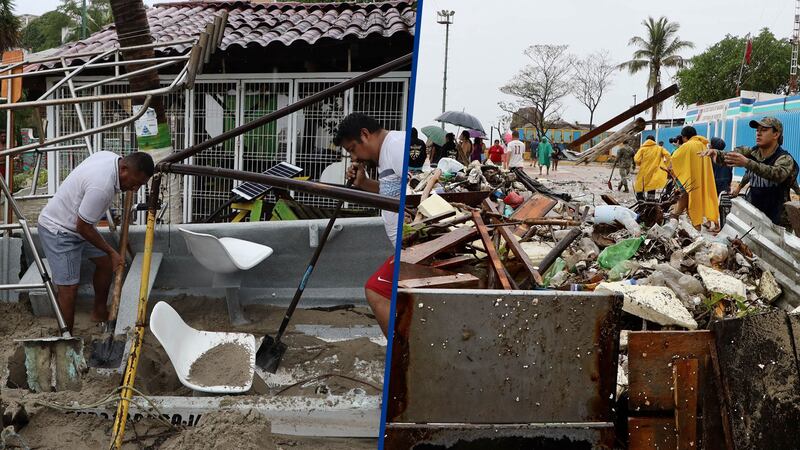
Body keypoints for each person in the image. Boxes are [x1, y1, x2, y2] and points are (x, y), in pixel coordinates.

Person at [37, 151, 154, 332]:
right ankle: (66, 337)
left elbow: (83, 225)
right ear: (124, 169)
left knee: (105, 264)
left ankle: (99, 312)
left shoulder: (110, 158)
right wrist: (111, 251)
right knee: (69, 288)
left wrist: (109, 255)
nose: (135, 189)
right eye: (136, 182)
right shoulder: (102, 187)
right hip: (59, 230)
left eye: (140, 185)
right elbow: (83, 227)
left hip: (78, 226)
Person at [335, 113, 404, 336]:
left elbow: (416, 193)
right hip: (402, 247)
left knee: (377, 290)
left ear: (365, 134)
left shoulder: (396, 147)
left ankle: (400, 350)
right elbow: (392, 193)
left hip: (410, 248)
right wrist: (363, 183)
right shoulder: (386, 155)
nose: (354, 157)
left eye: (353, 149)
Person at [701, 117, 799, 226]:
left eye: (764, 130)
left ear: (776, 134)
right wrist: (717, 154)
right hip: (755, 217)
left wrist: (747, 163)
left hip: (777, 222)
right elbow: (730, 156)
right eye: (757, 130)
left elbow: (777, 174)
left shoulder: (784, 158)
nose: (758, 133)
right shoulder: (751, 153)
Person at [671, 126, 719, 228]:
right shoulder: (703, 145)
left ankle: (695, 226)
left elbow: (674, 158)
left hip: (691, 179)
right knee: (697, 201)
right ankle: (699, 226)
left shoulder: (687, 145)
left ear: (684, 137)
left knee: (690, 201)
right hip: (702, 179)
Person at [633, 135, 671, 200]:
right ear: (654, 141)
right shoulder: (659, 148)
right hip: (655, 171)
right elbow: (668, 155)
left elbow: (636, 159)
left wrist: (640, 164)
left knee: (639, 186)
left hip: (644, 171)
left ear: (646, 141)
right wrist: (665, 165)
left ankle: (641, 201)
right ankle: (650, 201)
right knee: (652, 186)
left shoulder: (642, 149)